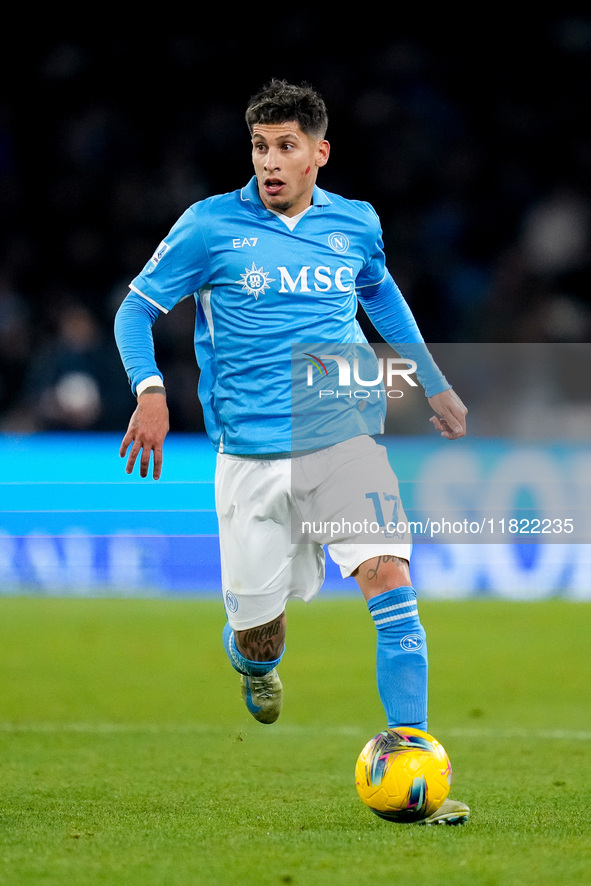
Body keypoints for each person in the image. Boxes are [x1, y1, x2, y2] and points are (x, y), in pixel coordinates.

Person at [114, 79, 469, 825]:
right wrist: (149, 390)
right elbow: (134, 311)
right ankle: (254, 660)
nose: (269, 161)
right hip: (248, 458)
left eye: (284, 147)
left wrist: (431, 383)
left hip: (341, 436)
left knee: (388, 577)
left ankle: (412, 759)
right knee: (258, 635)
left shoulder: (355, 224)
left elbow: (382, 298)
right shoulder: (209, 227)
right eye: (259, 146)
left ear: (318, 153)